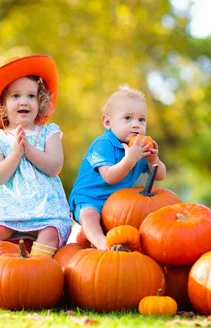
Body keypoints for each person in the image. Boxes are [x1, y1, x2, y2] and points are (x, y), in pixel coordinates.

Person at [0, 55, 72, 258]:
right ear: (3, 105)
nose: (24, 101)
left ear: (40, 101)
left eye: (31, 96)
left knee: (51, 232)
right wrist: (15, 154)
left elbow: (55, 166)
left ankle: (38, 271)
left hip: (44, 208)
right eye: (15, 96)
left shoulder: (48, 133)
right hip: (7, 208)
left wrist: (29, 151)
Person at [68, 85, 167, 250]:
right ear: (108, 122)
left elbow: (160, 176)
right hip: (90, 199)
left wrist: (153, 159)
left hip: (117, 206)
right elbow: (109, 176)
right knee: (89, 216)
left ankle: (132, 245)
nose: (136, 125)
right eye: (127, 118)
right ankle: (101, 243)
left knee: (135, 219)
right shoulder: (102, 145)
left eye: (141, 120)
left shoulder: (139, 148)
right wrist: (129, 160)